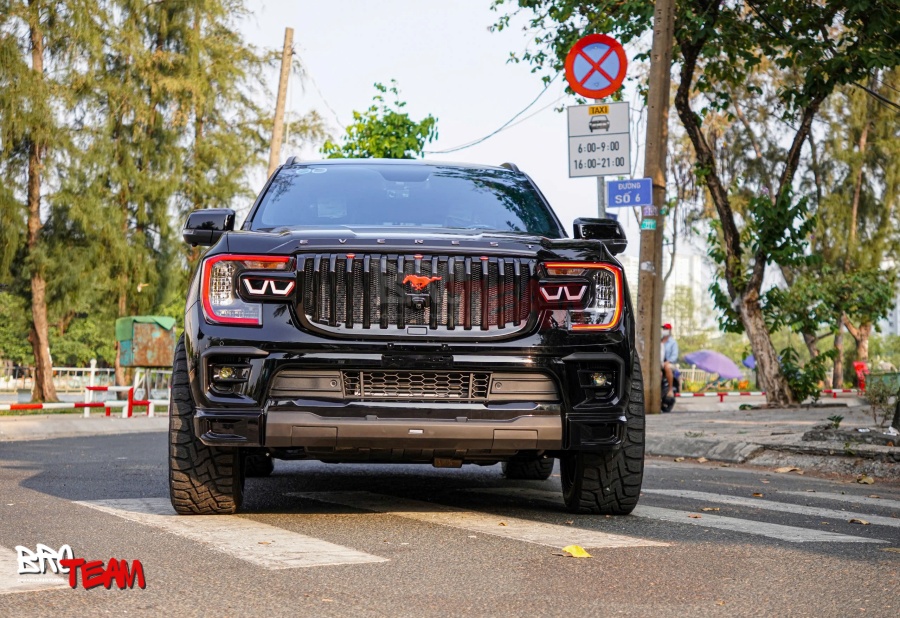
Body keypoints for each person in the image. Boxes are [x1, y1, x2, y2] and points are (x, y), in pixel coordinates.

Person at [661, 323, 679, 398]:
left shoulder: (673, 342)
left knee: (667, 367)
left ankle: (670, 389)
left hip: (670, 363)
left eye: (666, 329)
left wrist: (667, 362)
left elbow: (674, 356)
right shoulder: (659, 341)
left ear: (670, 330)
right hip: (659, 363)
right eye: (664, 328)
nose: (664, 330)